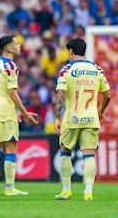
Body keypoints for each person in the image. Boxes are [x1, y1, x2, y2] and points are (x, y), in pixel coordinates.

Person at [0, 35, 38, 196]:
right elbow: (12, 93)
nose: (20, 46)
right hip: (5, 110)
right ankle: (10, 188)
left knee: (0, 148)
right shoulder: (11, 66)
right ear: (9, 48)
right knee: (11, 148)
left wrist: (15, 111)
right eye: (17, 44)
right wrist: (25, 113)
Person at [54, 38, 110, 201]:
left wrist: (57, 117)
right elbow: (107, 95)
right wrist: (100, 111)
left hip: (72, 118)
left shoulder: (66, 70)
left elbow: (60, 95)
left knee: (65, 151)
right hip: (91, 118)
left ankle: (66, 190)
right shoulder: (97, 69)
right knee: (89, 154)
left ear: (71, 51)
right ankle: (88, 191)